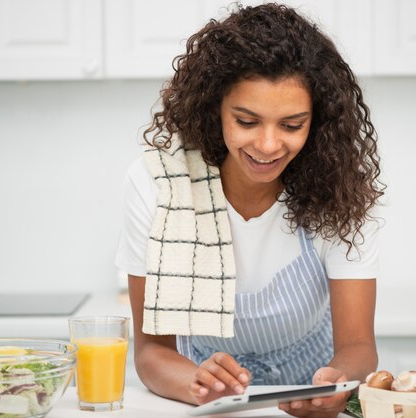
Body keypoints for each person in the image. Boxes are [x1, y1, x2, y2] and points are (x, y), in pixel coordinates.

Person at [115, 3, 384, 418]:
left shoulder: (341, 191)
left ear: (317, 122)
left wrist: (337, 383)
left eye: (292, 125)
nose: (268, 145)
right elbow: (152, 352)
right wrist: (197, 384)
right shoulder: (156, 184)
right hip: (205, 405)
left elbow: (359, 347)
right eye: (247, 121)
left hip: (307, 401)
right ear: (214, 108)